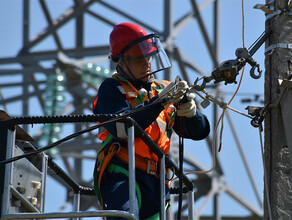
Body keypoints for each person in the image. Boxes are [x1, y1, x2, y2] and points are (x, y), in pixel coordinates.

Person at [92, 22, 210, 219]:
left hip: (156, 181)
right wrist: (159, 103)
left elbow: (199, 132)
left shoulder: (161, 89)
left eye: (148, 58)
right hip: (123, 171)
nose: (147, 63)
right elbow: (122, 129)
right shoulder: (112, 88)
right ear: (122, 62)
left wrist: (191, 113)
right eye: (139, 60)